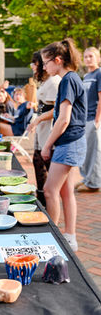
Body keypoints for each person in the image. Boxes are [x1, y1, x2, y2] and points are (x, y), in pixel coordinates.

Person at [41, 38, 87, 252]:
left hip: (69, 142)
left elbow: (64, 119)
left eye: (46, 62)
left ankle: (55, 237)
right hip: (72, 141)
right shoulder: (71, 78)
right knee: (65, 191)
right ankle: (69, 237)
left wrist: (47, 145)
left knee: (49, 190)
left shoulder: (68, 80)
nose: (44, 67)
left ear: (58, 60)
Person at [27, 51, 61, 206]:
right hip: (42, 133)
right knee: (38, 168)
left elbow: (57, 110)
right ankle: (42, 204)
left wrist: (39, 118)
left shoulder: (54, 82)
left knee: (46, 172)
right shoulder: (46, 82)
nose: (32, 66)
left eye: (34, 63)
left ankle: (48, 208)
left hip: (49, 135)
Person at [75, 47, 101, 192]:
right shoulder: (86, 76)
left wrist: (98, 119)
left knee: (94, 152)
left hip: (94, 119)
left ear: (98, 58)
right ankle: (87, 178)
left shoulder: (99, 74)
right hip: (84, 119)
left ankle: (94, 184)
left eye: (91, 56)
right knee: (85, 151)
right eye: (85, 56)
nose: (88, 59)